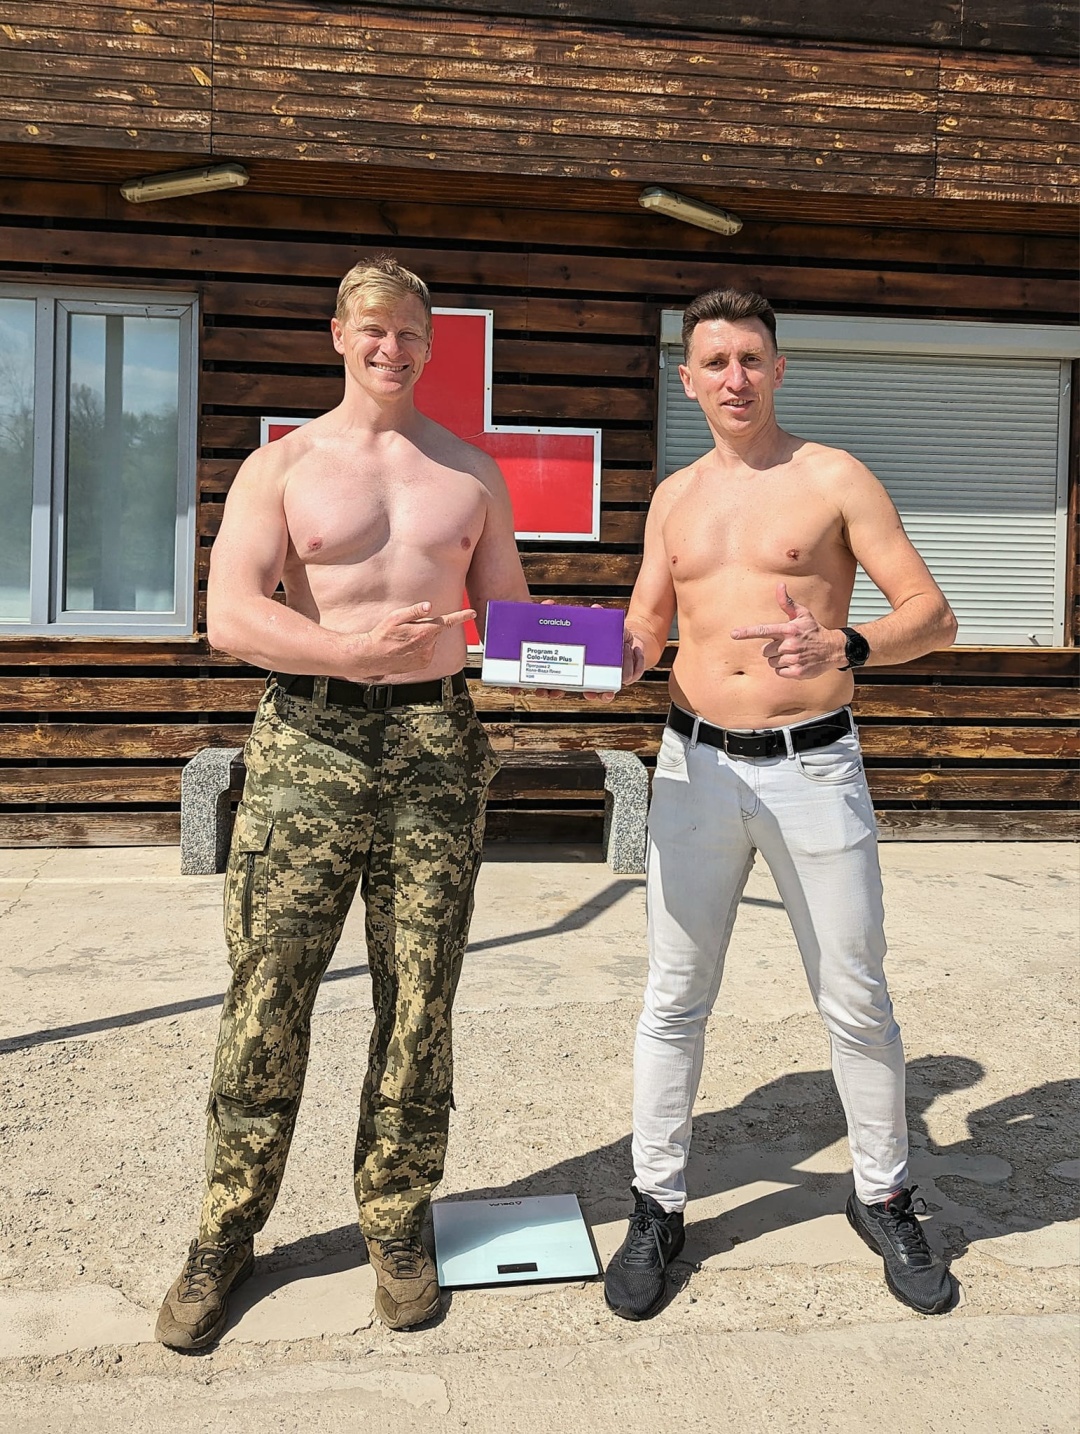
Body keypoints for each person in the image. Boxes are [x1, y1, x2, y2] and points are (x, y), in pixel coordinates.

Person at [156, 256, 531, 1351]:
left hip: (435, 744)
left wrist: (607, 653)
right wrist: (350, 652)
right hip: (308, 741)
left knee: (420, 995)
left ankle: (399, 1219)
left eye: (410, 331)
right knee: (269, 990)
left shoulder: (469, 474)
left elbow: (509, 621)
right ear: (337, 335)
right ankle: (226, 1231)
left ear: (430, 344)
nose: (390, 347)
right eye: (372, 328)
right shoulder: (282, 466)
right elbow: (232, 614)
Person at [603, 287, 959, 1322]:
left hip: (812, 767)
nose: (735, 378)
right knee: (674, 996)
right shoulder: (674, 497)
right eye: (715, 362)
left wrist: (849, 643)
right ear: (687, 379)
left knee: (855, 993)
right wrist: (607, 655)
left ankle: (883, 1193)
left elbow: (932, 614)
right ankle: (658, 1204)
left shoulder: (833, 477)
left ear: (779, 368)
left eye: (751, 359)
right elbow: (649, 621)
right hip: (693, 769)